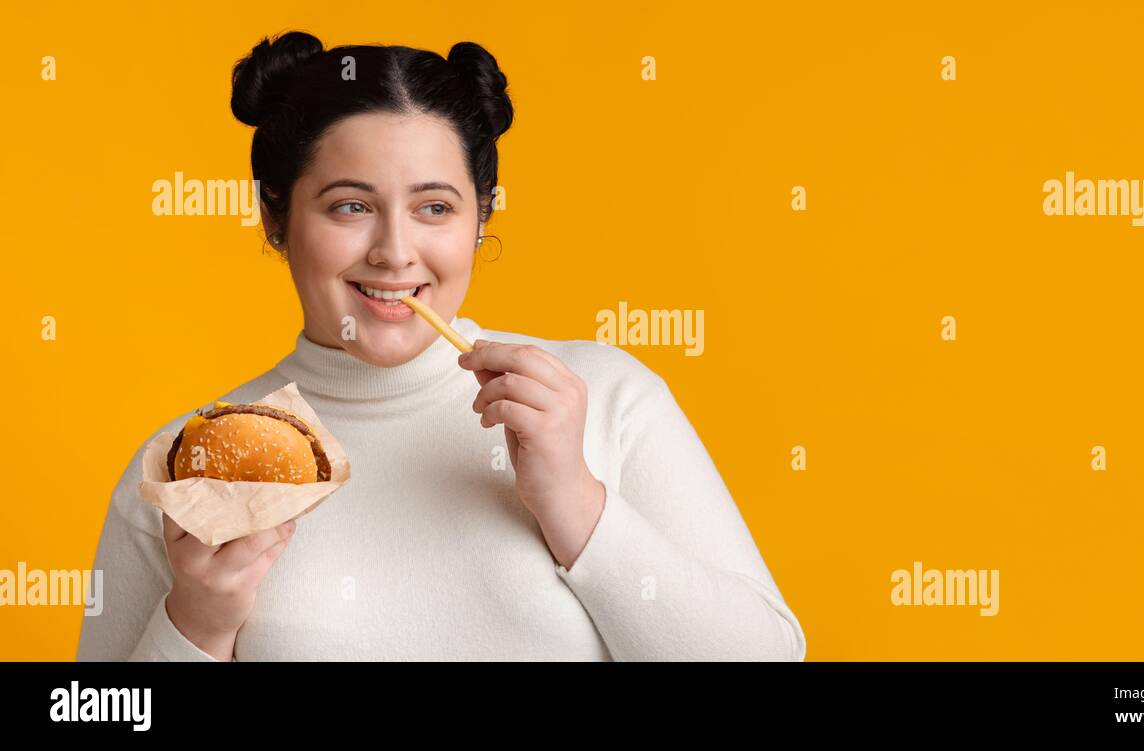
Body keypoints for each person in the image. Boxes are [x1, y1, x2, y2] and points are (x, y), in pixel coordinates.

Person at [77, 31, 805, 661]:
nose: (396, 252)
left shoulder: (603, 397)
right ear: (276, 217)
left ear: (481, 217)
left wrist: (578, 505)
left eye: (435, 207)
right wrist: (194, 628)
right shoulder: (195, 464)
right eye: (350, 206)